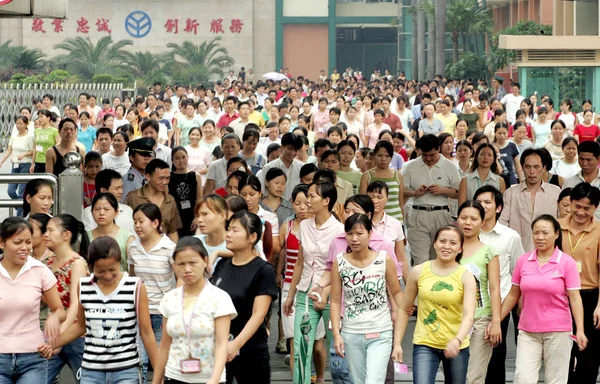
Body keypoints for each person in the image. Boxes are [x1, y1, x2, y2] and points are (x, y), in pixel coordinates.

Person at [38, 237, 159, 383]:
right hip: (92, 370)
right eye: (100, 271)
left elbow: (146, 332)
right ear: (91, 267)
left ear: (120, 263)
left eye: (112, 270)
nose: (107, 275)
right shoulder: (84, 286)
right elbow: (80, 326)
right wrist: (52, 344)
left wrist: (158, 374)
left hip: (126, 369)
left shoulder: (136, 287)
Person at [500, 214, 587, 384]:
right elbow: (513, 294)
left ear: (556, 234)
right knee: (522, 378)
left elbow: (575, 299)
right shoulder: (523, 260)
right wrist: (497, 320)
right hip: (528, 330)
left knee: (555, 380)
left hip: (558, 331)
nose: (540, 237)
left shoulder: (566, 263)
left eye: (545, 233)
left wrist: (581, 330)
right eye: (536, 233)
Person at [391, 225, 477, 384]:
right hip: (425, 343)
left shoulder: (466, 276)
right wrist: (397, 344)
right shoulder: (419, 271)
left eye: (453, 243)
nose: (446, 246)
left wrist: (457, 340)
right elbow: (404, 309)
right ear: (435, 244)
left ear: (460, 249)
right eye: (442, 241)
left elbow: (469, 316)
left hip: (456, 343)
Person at [330, 213, 403, 384]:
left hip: (380, 331)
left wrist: (404, 310)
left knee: (373, 381)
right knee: (359, 381)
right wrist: (336, 334)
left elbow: (396, 292)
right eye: (350, 233)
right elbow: (334, 301)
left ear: (370, 234)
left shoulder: (383, 259)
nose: (354, 238)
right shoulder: (339, 262)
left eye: (359, 233)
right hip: (351, 332)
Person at [151, 236, 235, 384]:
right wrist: (156, 381)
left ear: (205, 261)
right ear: (175, 266)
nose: (187, 269)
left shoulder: (219, 298)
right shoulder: (170, 298)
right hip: (174, 375)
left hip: (208, 378)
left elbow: (222, 344)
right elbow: (164, 344)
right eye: (181, 264)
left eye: (192, 262)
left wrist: (215, 379)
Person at [284, 180, 344, 384]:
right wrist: (291, 295)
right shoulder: (304, 225)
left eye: (312, 196)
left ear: (326, 201)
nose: (307, 200)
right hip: (304, 294)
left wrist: (325, 292)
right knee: (301, 348)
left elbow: (338, 269)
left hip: (331, 297)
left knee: (337, 349)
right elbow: (299, 263)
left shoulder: (339, 230)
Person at [211, 211, 278, 384]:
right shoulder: (223, 265)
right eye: (228, 229)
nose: (228, 234)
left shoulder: (263, 270)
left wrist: (236, 345)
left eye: (235, 230)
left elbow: (258, 315)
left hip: (250, 351)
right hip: (218, 349)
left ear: (252, 237)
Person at [0, 218, 65, 384]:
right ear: (2, 243)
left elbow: (59, 310)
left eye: (28, 242)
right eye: (17, 242)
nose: (24, 248)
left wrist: (53, 319)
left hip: (33, 358)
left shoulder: (40, 270)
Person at [556, 184, 600, 384]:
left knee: (589, 354)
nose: (581, 212)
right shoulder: (556, 227)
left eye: (587, 208)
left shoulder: (598, 230)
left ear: (595, 208)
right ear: (570, 203)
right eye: (577, 206)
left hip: (589, 296)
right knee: (560, 353)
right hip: (559, 296)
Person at [455, 201, 502, 383]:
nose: (468, 222)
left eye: (474, 219)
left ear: (482, 222)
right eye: (463, 218)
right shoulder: (449, 248)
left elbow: (495, 288)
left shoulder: (489, 252)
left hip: (480, 318)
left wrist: (496, 321)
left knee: (474, 376)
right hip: (452, 319)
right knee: (456, 375)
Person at [42, 214, 90, 384]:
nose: (45, 234)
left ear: (66, 235)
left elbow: (76, 304)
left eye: (50, 230)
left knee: (87, 380)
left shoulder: (77, 263)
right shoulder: (47, 263)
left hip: (77, 333)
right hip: (53, 334)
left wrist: (60, 335)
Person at [402, 134, 460, 264]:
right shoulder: (410, 166)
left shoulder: (450, 166)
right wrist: (414, 192)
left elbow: (459, 192)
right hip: (418, 213)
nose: (428, 158)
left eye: (431, 155)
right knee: (420, 260)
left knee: (439, 258)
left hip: (442, 214)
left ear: (438, 149)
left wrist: (443, 190)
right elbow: (401, 192)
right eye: (424, 155)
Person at [276, 184, 312, 371]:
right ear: (292, 203)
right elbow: (278, 250)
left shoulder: (318, 227)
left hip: (312, 287)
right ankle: (298, 376)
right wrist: (278, 273)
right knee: (293, 338)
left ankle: (315, 375)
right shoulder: (287, 226)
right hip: (289, 285)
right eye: (298, 203)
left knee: (314, 340)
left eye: (306, 203)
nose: (302, 207)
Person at [500, 148, 561, 252]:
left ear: (543, 168)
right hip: (517, 252)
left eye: (536, 167)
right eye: (528, 167)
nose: (532, 172)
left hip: (548, 253)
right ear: (522, 168)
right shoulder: (510, 193)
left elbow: (561, 223)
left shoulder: (556, 192)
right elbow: (502, 225)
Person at [125, 159, 183, 243]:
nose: (165, 182)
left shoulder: (170, 200)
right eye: (161, 178)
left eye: (167, 178)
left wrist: (174, 253)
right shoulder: (133, 197)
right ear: (148, 177)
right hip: (138, 249)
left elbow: (172, 231)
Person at [367, 181, 409, 280]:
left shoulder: (395, 223)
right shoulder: (360, 223)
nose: (375, 201)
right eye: (372, 197)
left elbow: (401, 257)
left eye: (379, 197)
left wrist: (408, 288)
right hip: (367, 278)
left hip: (392, 279)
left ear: (387, 199)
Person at [88, 193, 135, 271]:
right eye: (97, 209)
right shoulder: (86, 237)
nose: (101, 213)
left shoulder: (127, 237)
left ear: (116, 213)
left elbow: (132, 269)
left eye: (106, 209)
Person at [359, 140, 404, 222]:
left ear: (391, 157)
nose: (383, 159)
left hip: (396, 219)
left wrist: (403, 222)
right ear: (374, 156)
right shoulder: (366, 176)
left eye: (387, 156)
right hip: (373, 221)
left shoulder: (398, 176)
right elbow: (362, 202)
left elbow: (400, 202)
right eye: (380, 155)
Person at [82, 169, 135, 234]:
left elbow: (133, 237)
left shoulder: (128, 210)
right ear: (103, 191)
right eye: (117, 188)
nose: (121, 192)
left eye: (121, 187)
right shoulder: (88, 213)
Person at [257, 132, 305, 200]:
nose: (293, 153)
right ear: (282, 147)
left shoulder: (301, 168)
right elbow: (262, 192)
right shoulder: (268, 167)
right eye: (290, 149)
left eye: (296, 150)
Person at [1, 115, 34, 206]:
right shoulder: (14, 135)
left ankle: (20, 217)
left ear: (26, 124)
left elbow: (32, 151)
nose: (18, 125)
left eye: (20, 123)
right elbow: (9, 149)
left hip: (25, 165)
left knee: (21, 192)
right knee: (10, 191)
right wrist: (1, 161)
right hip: (15, 165)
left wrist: (24, 154)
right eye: (17, 124)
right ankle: (22, 207)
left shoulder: (30, 136)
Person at [170, 147, 203, 238]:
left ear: (188, 158)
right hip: (175, 217)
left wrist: (197, 217)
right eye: (177, 158)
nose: (181, 161)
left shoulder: (196, 176)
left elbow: (200, 200)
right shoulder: (168, 177)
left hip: (192, 216)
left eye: (183, 157)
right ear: (172, 160)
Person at [563, 141, 600, 221]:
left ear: (598, 159)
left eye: (589, 160)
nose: (584, 163)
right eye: (581, 159)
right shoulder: (569, 182)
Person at [122, 137, 155, 201]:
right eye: (143, 154)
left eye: (149, 155)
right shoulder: (129, 180)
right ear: (132, 158)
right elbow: (126, 204)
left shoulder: (144, 176)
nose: (147, 158)